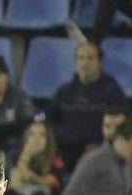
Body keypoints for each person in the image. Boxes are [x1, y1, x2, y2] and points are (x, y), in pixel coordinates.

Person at [46, 40, 127, 172]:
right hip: (64, 151)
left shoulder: (112, 91)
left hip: (99, 152)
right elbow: (49, 123)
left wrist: (102, 145)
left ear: (100, 62)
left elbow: (122, 127)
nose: (85, 63)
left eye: (90, 58)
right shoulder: (64, 91)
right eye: (81, 58)